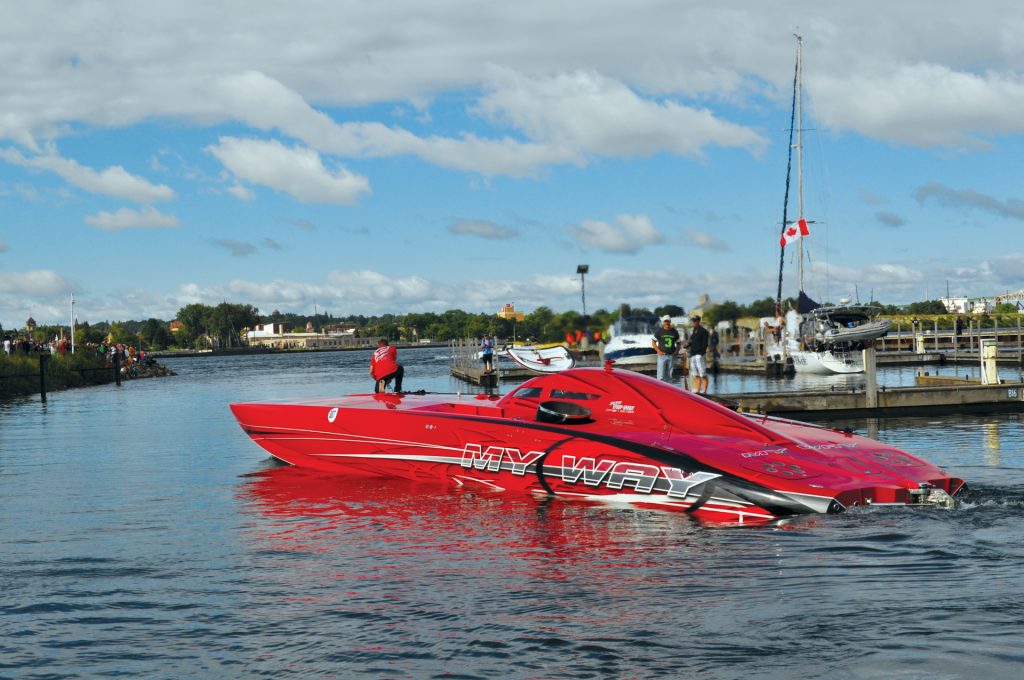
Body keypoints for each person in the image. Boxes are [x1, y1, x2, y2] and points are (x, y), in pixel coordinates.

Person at [651, 315, 680, 383]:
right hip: (662, 356)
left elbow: (678, 343)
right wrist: (659, 351)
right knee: (660, 376)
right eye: (665, 321)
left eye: (668, 321)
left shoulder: (674, 331)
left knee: (669, 376)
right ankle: (659, 391)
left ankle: (668, 391)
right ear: (663, 322)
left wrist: (676, 352)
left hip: (671, 356)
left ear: (670, 322)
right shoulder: (659, 331)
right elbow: (653, 343)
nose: (667, 323)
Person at [686, 315, 710, 394]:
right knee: (695, 373)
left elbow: (705, 343)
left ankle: (705, 391)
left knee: (702, 373)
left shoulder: (703, 331)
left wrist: (702, 352)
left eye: (695, 321)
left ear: (698, 321)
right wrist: (686, 346)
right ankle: (698, 390)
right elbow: (691, 341)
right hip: (693, 354)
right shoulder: (694, 330)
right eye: (693, 321)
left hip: (699, 354)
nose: (693, 322)